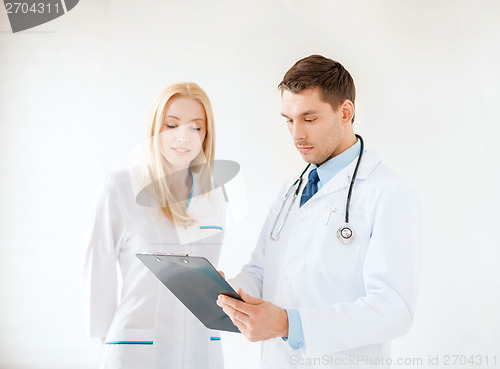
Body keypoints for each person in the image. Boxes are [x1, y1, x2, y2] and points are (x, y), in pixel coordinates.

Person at [217, 55, 422, 369]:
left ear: (345, 111)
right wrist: (232, 293)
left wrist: (289, 324)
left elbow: (394, 310)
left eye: (309, 119)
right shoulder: (290, 190)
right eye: (288, 119)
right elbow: (260, 271)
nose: (296, 134)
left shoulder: (388, 192)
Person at [82, 82, 227, 369]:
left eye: (196, 127)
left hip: (201, 348)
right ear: (154, 129)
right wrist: (112, 342)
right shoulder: (120, 188)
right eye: (171, 125)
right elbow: (97, 271)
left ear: (206, 135)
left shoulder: (215, 196)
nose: (183, 137)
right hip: (135, 351)